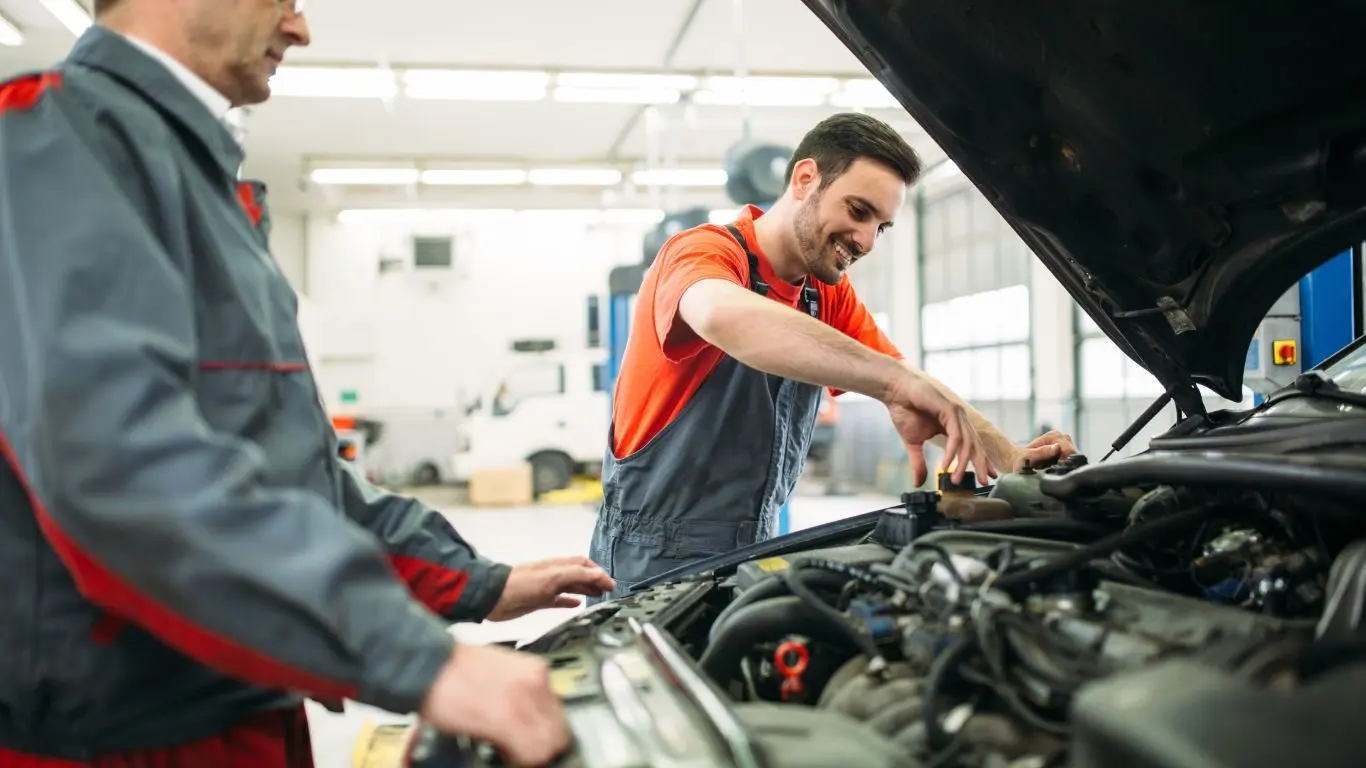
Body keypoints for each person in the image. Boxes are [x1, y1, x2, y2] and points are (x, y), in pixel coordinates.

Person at [0, 1, 613, 766]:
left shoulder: (205, 186)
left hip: (246, 711)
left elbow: (302, 482)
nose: (300, 28)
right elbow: (119, 468)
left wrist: (477, 584)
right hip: (123, 740)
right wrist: (416, 658)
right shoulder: (57, 143)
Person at [588, 112, 1077, 600]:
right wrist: (891, 385)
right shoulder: (703, 252)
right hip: (649, 556)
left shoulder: (824, 296)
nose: (864, 241)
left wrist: (1010, 457)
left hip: (751, 547)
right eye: (858, 211)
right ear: (805, 179)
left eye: (881, 227)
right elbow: (719, 313)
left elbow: (909, 378)